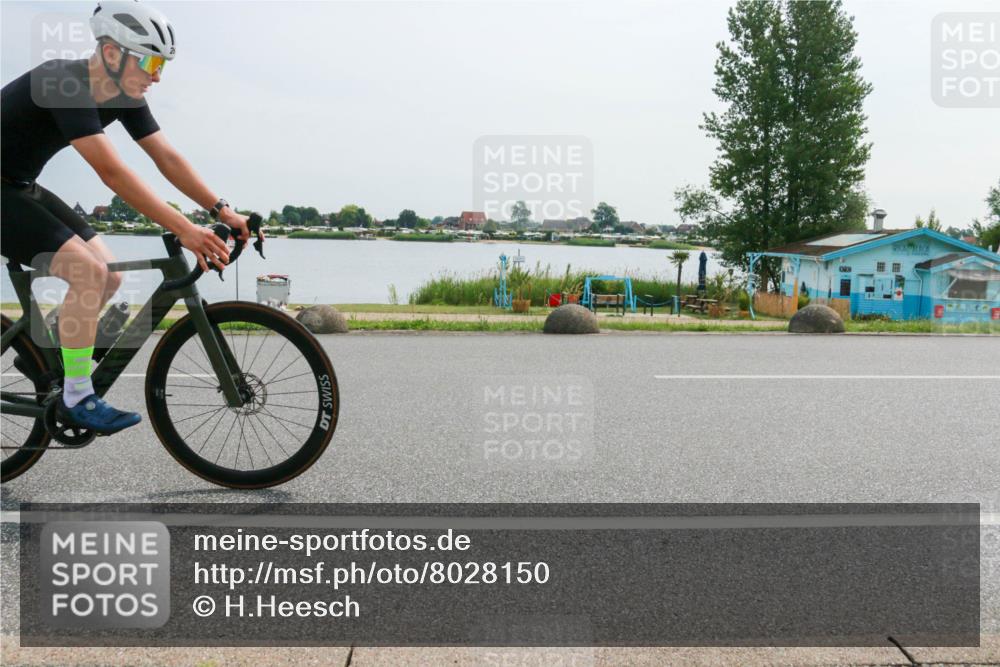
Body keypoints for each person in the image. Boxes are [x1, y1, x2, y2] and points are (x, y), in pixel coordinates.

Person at [1, 1, 252, 434]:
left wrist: (222, 210)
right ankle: (77, 395)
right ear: (113, 53)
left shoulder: (124, 93)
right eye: (152, 61)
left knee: (110, 275)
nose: (157, 75)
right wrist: (184, 229)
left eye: (162, 65)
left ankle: (49, 355)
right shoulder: (64, 81)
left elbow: (166, 157)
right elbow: (112, 172)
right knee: (88, 274)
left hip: (18, 183)